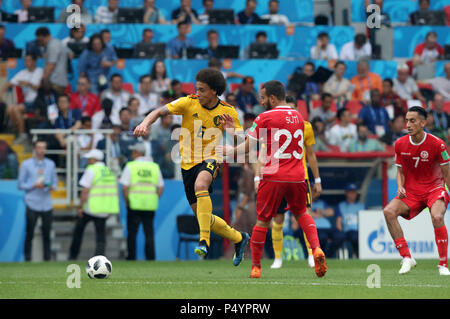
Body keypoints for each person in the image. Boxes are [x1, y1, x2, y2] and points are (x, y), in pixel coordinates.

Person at [133, 67, 250, 263]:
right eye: (197, 88)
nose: (198, 93)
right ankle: (239, 238)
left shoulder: (228, 111)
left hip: (211, 158)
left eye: (202, 89)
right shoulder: (188, 102)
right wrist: (145, 123)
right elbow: (159, 112)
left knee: (201, 185)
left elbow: (244, 143)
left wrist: (232, 134)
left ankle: (203, 240)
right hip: (187, 165)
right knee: (204, 217)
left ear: (214, 91)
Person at [217, 80, 327, 278]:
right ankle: (317, 248)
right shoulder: (299, 117)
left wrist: (230, 149)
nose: (260, 101)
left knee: (263, 221)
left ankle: (256, 267)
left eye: (263, 97)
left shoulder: (264, 117)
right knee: (302, 214)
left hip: (273, 176)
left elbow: (247, 148)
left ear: (272, 98)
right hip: (297, 177)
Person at [383, 106, 450, 275]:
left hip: (434, 188)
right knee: (388, 212)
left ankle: (443, 264)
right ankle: (407, 257)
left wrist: (446, 193)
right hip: (412, 191)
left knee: (437, 216)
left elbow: (447, 173)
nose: (408, 124)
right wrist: (400, 186)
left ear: (423, 122)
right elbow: (399, 172)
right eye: (406, 120)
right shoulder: (400, 143)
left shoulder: (437, 144)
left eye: (412, 120)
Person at [264, 95, 322, 269]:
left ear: (297, 109)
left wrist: (317, 179)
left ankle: (312, 255)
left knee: (305, 215)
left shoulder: (305, 126)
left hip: (300, 177)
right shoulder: (274, 126)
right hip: (279, 177)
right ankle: (278, 258)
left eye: (292, 108)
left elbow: (311, 154)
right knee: (278, 218)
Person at [68, 149, 120, 260]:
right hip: (103, 210)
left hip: (89, 208)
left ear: (94, 159)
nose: (88, 160)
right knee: (101, 237)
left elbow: (85, 191)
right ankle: (99, 261)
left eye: (89, 158)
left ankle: (73, 256)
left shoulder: (91, 170)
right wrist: (110, 210)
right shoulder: (108, 171)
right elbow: (113, 192)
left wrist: (81, 207)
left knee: (78, 232)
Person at [120, 143, 164, 260]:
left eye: (133, 152)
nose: (132, 154)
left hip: (134, 205)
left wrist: (127, 201)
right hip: (150, 205)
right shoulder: (154, 167)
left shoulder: (130, 166)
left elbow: (124, 187)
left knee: (132, 233)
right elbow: (160, 187)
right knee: (149, 233)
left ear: (137, 153)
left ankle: (131, 257)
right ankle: (150, 258)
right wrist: (154, 198)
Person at [18, 139, 58, 261]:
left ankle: (47, 260)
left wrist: (50, 186)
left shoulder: (51, 164)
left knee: (47, 233)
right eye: (39, 147)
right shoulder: (26, 164)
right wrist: (33, 185)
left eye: (44, 147)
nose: (42, 150)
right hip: (32, 202)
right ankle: (27, 259)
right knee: (29, 233)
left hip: (46, 203)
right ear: (35, 149)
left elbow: (55, 184)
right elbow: (20, 185)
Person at [2, 53, 43, 144]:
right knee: (9, 108)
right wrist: (1, 94)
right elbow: (9, 84)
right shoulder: (22, 73)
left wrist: (28, 84)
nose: (26, 62)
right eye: (25, 60)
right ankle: (18, 132)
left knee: (16, 109)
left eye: (29, 60)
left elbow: (40, 88)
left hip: (36, 102)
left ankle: (22, 134)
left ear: (35, 61)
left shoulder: (40, 71)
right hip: (26, 103)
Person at [36, 27, 71, 95]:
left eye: (40, 40)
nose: (40, 43)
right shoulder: (58, 42)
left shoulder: (52, 46)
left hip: (55, 81)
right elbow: (71, 54)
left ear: (46, 36)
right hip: (61, 79)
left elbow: (51, 65)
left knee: (55, 103)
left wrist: (42, 80)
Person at [335, 183, 366, 258]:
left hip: (361, 231)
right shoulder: (341, 205)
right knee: (349, 237)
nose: (353, 194)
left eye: (354, 192)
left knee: (357, 236)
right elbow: (338, 222)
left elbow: (366, 220)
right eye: (350, 192)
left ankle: (359, 255)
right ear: (346, 193)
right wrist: (341, 233)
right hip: (348, 231)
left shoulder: (362, 205)